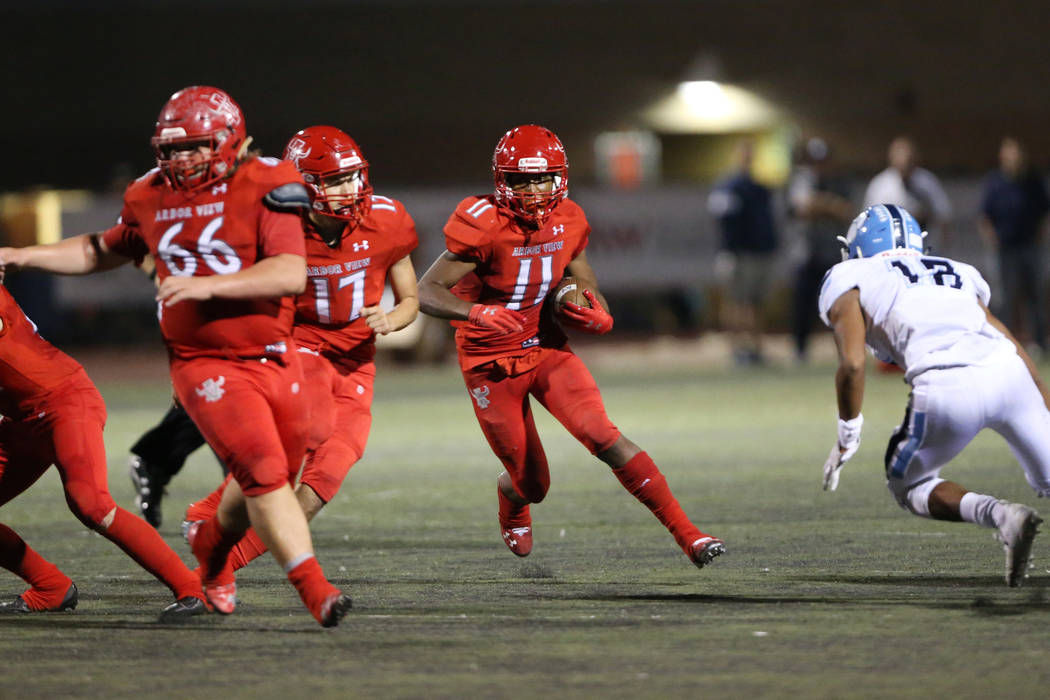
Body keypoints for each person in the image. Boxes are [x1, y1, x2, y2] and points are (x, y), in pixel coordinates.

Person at [0, 86, 351, 626]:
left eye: (196, 146)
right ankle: (310, 588)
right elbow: (106, 247)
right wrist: (25, 255)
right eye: (172, 149)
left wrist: (208, 284)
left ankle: (211, 547)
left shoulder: (269, 182)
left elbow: (289, 271)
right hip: (201, 359)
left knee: (276, 470)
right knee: (259, 471)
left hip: (273, 353)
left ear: (231, 142)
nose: (182, 160)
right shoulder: (149, 194)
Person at [417, 125, 725, 568]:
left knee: (603, 435)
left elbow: (582, 279)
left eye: (542, 178)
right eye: (520, 180)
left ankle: (690, 535)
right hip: (491, 362)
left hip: (545, 346)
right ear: (501, 181)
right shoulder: (483, 225)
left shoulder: (570, 218)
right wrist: (476, 312)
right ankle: (511, 496)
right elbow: (427, 291)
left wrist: (588, 305)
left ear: (560, 177)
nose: (533, 190)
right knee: (533, 484)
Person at [179, 125, 419, 571]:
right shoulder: (277, 227)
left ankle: (216, 565)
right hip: (299, 345)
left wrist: (391, 319)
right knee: (309, 430)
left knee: (327, 475)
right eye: (335, 179)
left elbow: (410, 300)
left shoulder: (387, 219)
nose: (350, 187)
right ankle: (211, 509)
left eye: (353, 176)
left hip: (357, 359)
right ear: (305, 183)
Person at [819, 203, 1046, 587]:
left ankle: (1001, 515)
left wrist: (848, 435)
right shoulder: (957, 270)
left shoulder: (849, 273)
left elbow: (854, 364)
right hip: (1011, 376)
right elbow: (1008, 340)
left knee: (907, 482)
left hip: (948, 386)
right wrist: (1042, 403)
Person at [0, 277, 206, 620]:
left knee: (91, 504)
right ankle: (50, 586)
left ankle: (191, 588)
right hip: (21, 419)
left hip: (64, 402)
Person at [707, 141, 779, 365]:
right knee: (736, 301)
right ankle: (737, 349)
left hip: (760, 252)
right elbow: (722, 220)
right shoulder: (727, 187)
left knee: (756, 302)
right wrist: (728, 251)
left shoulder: (760, 188)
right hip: (739, 253)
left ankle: (755, 348)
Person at [978, 137, 1050, 352]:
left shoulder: (1033, 182)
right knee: (1003, 298)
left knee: (1035, 294)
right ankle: (1004, 341)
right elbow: (984, 215)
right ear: (1002, 158)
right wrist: (992, 240)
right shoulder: (995, 182)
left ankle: (1039, 342)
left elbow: (1044, 213)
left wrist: (1040, 238)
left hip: (1030, 247)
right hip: (1004, 250)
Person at [787, 138, 854, 362]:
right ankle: (800, 351)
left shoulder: (840, 182)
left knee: (837, 304)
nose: (819, 165)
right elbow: (802, 209)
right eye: (815, 161)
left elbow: (847, 211)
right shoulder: (801, 180)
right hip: (805, 253)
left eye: (822, 160)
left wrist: (820, 205)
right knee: (802, 305)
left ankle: (842, 349)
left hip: (831, 253)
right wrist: (828, 205)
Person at [864, 136, 953, 250]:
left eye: (909, 159)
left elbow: (943, 214)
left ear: (916, 159)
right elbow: (870, 220)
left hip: (926, 245)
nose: (904, 163)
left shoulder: (927, 181)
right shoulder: (880, 185)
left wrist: (945, 246)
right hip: (890, 247)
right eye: (899, 158)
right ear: (891, 159)